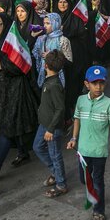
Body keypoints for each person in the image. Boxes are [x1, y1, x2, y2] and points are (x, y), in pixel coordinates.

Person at [67, 66, 110, 220]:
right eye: (94, 83)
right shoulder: (81, 101)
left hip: (99, 151)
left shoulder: (109, 103)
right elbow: (77, 119)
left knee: (97, 182)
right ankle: (95, 195)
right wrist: (74, 138)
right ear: (86, 84)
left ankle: (99, 213)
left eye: (101, 83)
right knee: (84, 180)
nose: (98, 87)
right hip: (82, 151)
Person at [0, 13, 39, 176]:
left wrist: (2, 64)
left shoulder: (14, 41)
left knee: (7, 128)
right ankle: (23, 153)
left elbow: (23, 65)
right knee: (9, 125)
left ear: (6, 26)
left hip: (14, 91)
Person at [33, 50, 69, 197]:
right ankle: (55, 172)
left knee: (55, 154)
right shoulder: (51, 80)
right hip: (45, 124)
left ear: (45, 65)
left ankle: (61, 184)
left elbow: (60, 108)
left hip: (52, 127)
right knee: (37, 147)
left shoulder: (54, 85)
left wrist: (51, 129)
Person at [32, 13, 72, 89]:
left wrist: (52, 56)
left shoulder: (63, 40)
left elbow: (69, 62)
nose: (45, 26)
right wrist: (33, 37)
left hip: (57, 79)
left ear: (55, 23)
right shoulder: (42, 39)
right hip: (43, 76)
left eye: (48, 23)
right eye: (44, 23)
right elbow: (33, 55)